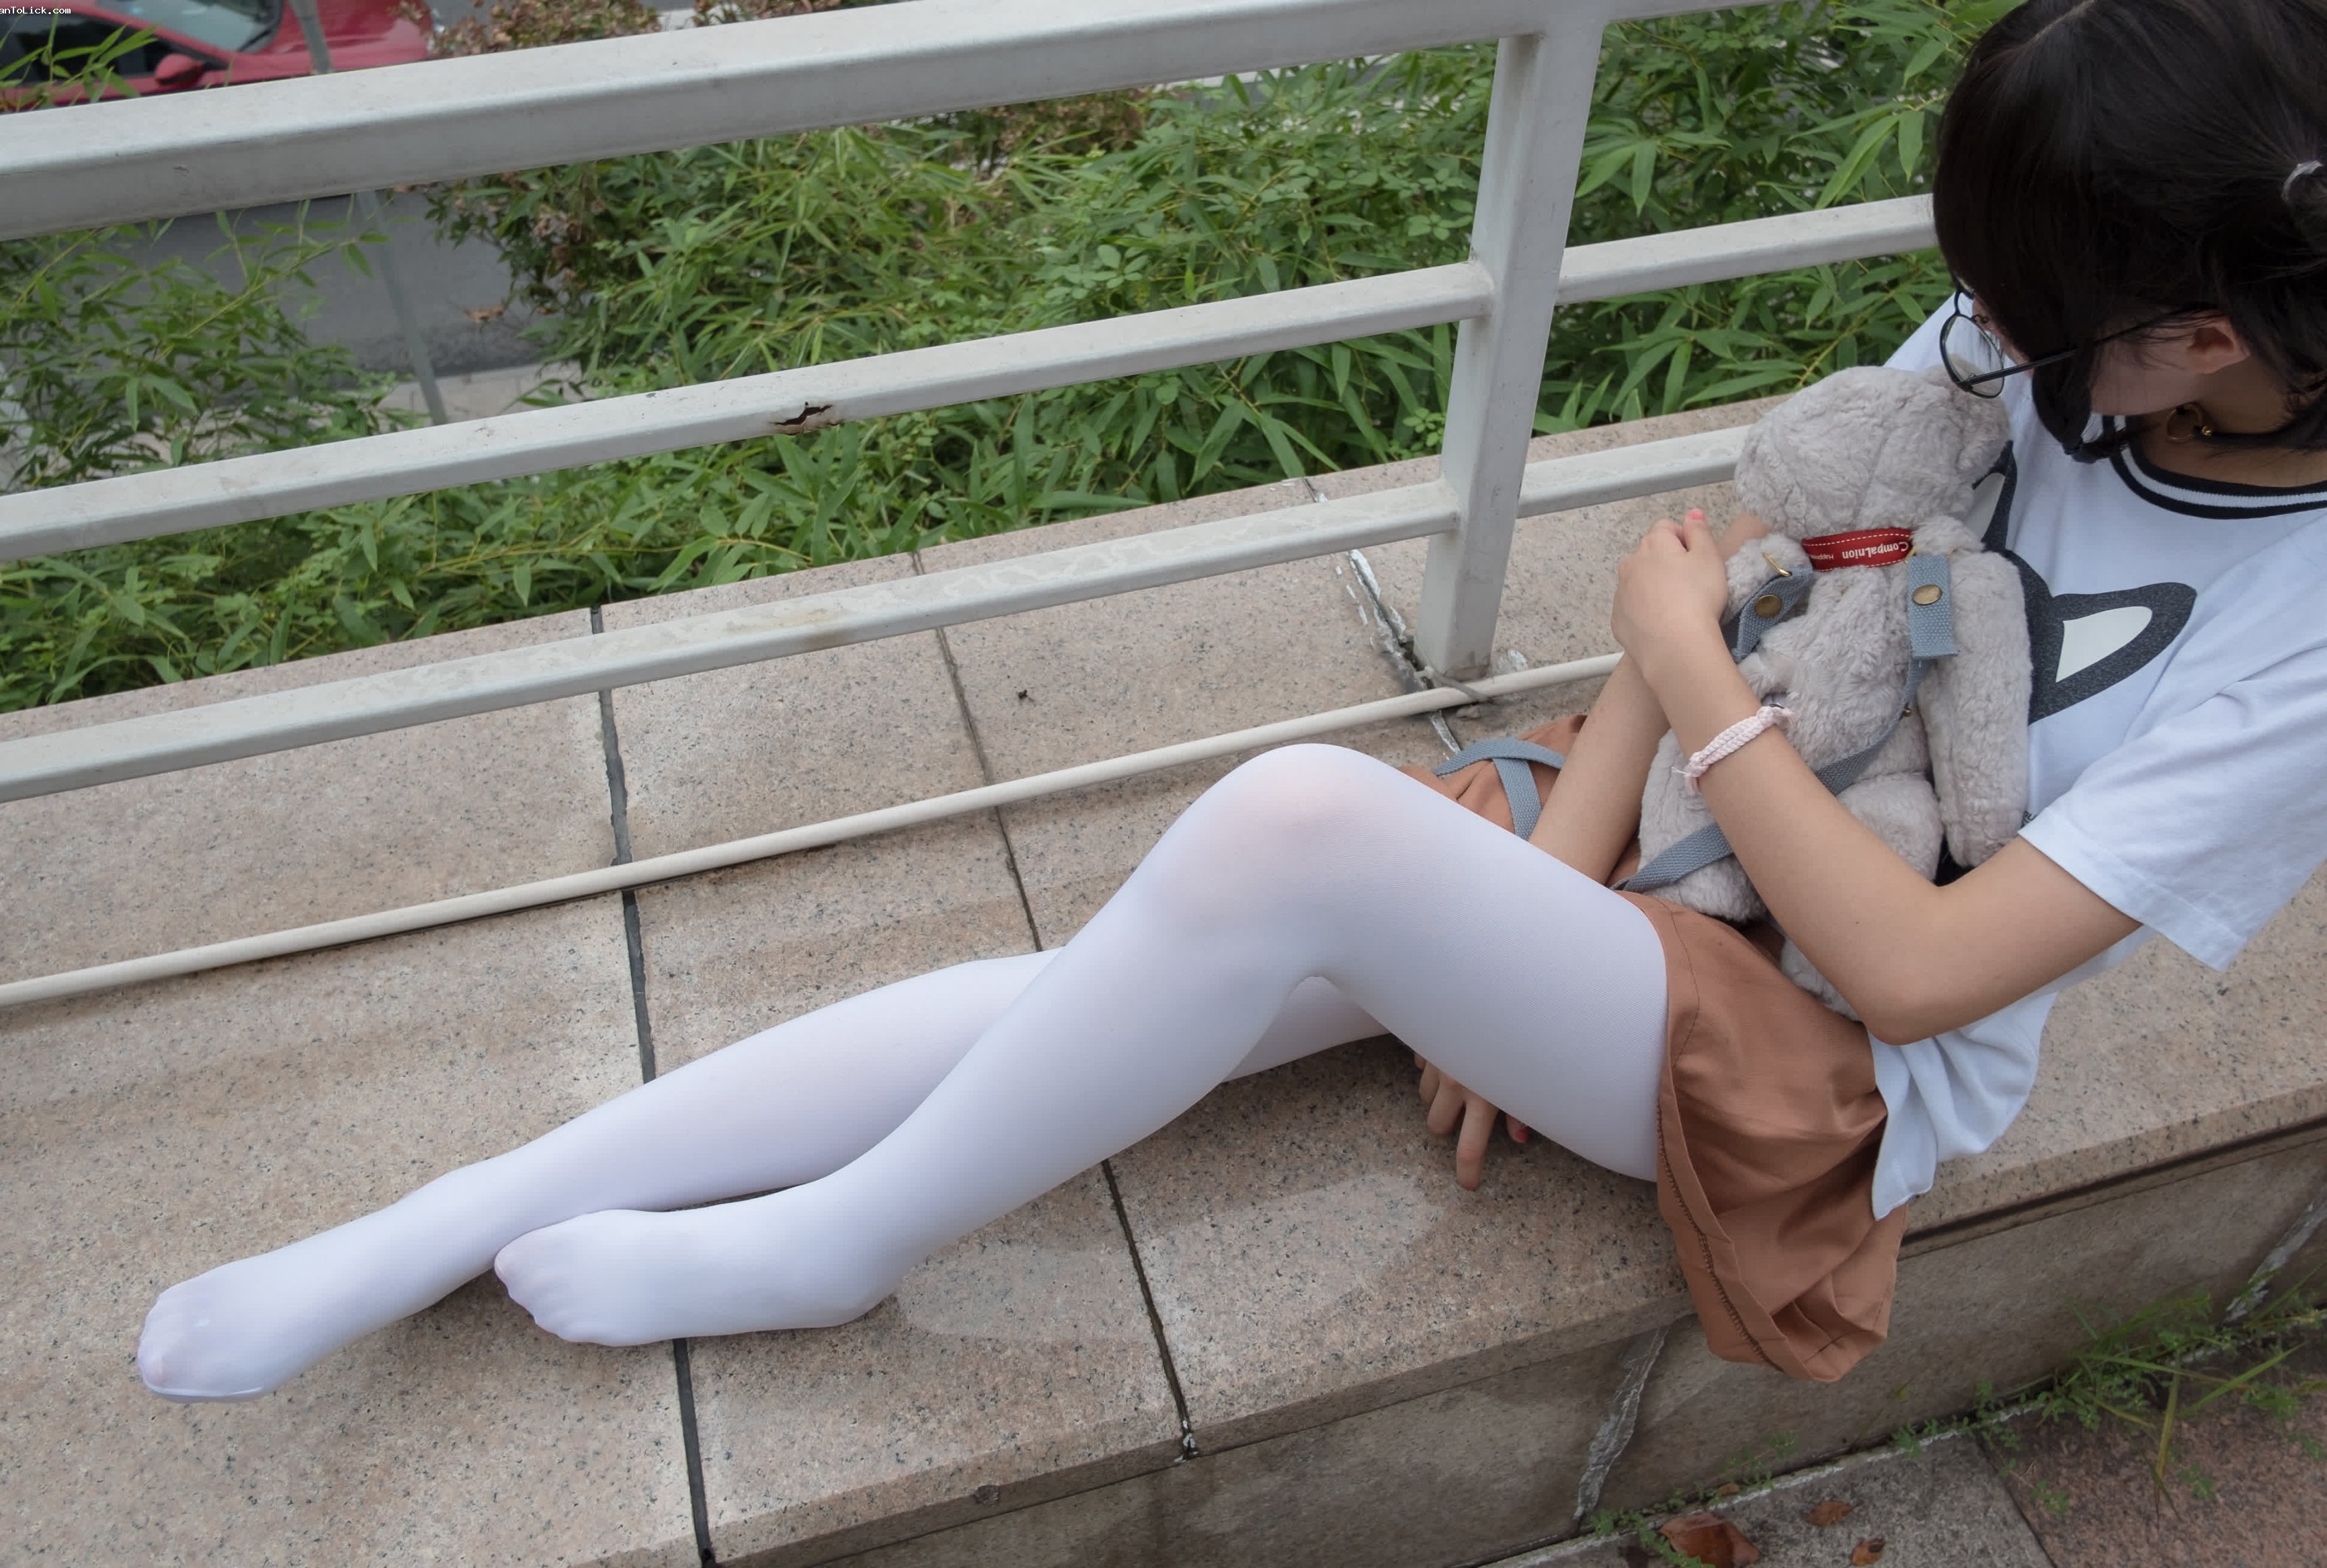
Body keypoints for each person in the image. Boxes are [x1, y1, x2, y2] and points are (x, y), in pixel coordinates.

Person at [136, 0, 2327, 1401]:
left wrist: (1677, 693)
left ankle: (834, 1249)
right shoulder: (2053, 338)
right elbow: (1741, 574)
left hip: (1830, 1049)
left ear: (2209, 339)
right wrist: (1552, 909)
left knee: (1292, 826)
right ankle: (440, 1217)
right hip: (1665, 857)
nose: (1973, 327)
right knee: (1137, 965)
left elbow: (1922, 966)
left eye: (2025, 309)